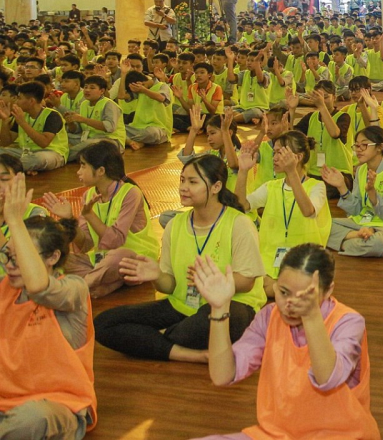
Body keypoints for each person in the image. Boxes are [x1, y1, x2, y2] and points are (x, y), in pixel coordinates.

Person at [191, 244, 379, 440]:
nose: (290, 304)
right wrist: (220, 308)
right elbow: (222, 376)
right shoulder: (269, 317)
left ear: (328, 291)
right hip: (277, 434)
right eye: (283, 292)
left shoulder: (349, 322)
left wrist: (311, 316)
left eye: (304, 296)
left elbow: (327, 379)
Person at [94, 155, 266, 363]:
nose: (183, 187)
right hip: (182, 306)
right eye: (182, 180)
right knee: (104, 323)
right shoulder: (174, 225)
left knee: (211, 321)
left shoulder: (239, 224)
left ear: (216, 187)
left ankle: (158, 340)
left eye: (192, 182)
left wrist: (214, 282)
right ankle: (189, 352)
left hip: (230, 305)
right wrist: (157, 276)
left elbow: (247, 282)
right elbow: (170, 286)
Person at [0, 176, 96, 440]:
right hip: (6, 401)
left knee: (33, 418)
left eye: (22, 257)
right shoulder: (5, 289)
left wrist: (14, 221)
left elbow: (38, 286)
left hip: (57, 404)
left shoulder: (74, 289)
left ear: (53, 257)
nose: (10, 266)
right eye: (8, 257)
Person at [44, 141, 160, 299]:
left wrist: (89, 214)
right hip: (102, 260)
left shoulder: (131, 193)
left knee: (119, 257)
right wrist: (69, 219)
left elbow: (115, 242)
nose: (78, 172)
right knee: (57, 258)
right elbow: (86, 244)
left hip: (135, 258)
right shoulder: (88, 195)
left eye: (83, 166)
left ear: (100, 171)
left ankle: (82, 286)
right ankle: (109, 283)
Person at [235, 131, 330, 298]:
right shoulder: (271, 186)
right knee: (252, 283)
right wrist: (242, 171)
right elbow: (241, 205)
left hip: (302, 261)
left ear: (298, 157)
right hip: (269, 259)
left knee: (267, 287)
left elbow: (308, 211)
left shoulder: (317, 186)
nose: (275, 158)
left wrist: (292, 172)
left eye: (280, 153)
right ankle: (284, 290)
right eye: (274, 153)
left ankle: (283, 289)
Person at [321, 126, 383, 258]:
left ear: (380, 147)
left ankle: (347, 241)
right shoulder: (361, 170)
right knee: (321, 224)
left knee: (379, 244)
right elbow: (355, 210)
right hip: (363, 221)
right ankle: (357, 236)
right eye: (357, 146)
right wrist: (342, 187)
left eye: (364, 145)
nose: (359, 150)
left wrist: (372, 193)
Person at [0, 81, 69, 172]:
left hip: (51, 153)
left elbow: (43, 143)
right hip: (25, 152)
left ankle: (8, 169)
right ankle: (19, 168)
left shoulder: (52, 115)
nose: (16, 102)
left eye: (19, 98)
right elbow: (5, 143)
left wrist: (22, 123)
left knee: (37, 159)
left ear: (31, 101)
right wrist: (5, 121)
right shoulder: (23, 115)